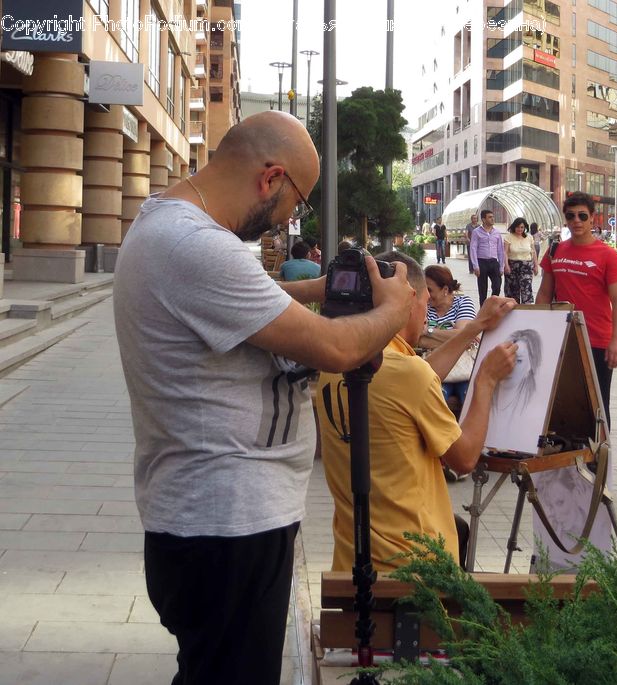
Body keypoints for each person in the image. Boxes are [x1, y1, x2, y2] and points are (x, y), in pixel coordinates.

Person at [113, 111, 414, 685]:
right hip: (226, 523)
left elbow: (242, 294)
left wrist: (318, 288)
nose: (290, 216)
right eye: (295, 201)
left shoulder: (168, 226)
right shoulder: (192, 244)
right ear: (271, 178)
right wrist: (394, 309)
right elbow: (336, 348)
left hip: (211, 516)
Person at [316, 252, 517, 571]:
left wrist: (474, 327)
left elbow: (419, 378)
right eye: (424, 300)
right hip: (416, 565)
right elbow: (464, 459)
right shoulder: (407, 375)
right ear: (407, 301)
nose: (426, 312)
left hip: (352, 560)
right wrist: (486, 381)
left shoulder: (334, 365)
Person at [536, 191, 617, 426]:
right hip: (562, 339)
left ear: (592, 219)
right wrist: (536, 328)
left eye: (582, 215)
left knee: (597, 404)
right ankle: (568, 457)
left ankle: (600, 457)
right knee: (561, 400)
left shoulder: (608, 256)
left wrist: (616, 341)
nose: (576, 220)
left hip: (596, 341)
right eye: (571, 216)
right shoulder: (555, 251)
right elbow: (545, 293)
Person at [423, 264, 478, 407]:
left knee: (471, 401)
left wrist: (427, 332)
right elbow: (416, 339)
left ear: (445, 289)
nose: (426, 295)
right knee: (433, 402)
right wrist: (459, 338)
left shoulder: (463, 302)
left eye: (429, 290)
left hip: (464, 370)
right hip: (435, 372)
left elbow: (464, 336)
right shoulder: (423, 305)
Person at [469, 208, 507, 306]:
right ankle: (483, 309)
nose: (492, 219)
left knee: (497, 286)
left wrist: (501, 266)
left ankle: (491, 305)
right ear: (483, 219)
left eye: (493, 217)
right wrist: (475, 266)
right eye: (490, 217)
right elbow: (473, 249)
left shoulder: (497, 233)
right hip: (481, 262)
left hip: (494, 262)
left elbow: (500, 250)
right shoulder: (476, 232)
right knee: (482, 289)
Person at [503, 217, 538, 304]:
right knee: (512, 290)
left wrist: (536, 265)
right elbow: (505, 252)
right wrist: (506, 265)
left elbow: (533, 252)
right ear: (514, 227)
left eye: (522, 227)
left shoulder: (529, 237)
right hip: (512, 266)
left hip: (526, 266)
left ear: (525, 227)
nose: (520, 229)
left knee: (526, 288)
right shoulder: (508, 237)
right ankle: (513, 311)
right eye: (518, 227)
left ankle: (526, 310)